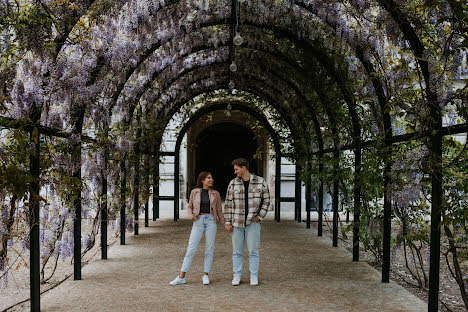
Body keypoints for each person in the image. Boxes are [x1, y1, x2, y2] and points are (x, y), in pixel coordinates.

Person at [170, 172, 225, 285]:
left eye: (211, 177)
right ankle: (181, 276)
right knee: (191, 249)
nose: (211, 179)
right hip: (198, 221)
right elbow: (189, 207)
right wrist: (192, 217)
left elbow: (219, 210)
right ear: (202, 180)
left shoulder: (216, 194)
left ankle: (205, 275)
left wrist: (225, 224)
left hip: (211, 221)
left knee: (209, 249)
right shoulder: (194, 192)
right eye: (208, 178)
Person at [224, 158, 270, 286]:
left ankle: (253, 276)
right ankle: (236, 275)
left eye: (236, 169)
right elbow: (227, 205)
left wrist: (259, 216)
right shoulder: (232, 184)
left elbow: (266, 201)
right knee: (237, 252)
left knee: (253, 251)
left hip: (253, 223)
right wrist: (227, 222)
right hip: (236, 223)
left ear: (243, 168)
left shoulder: (261, 182)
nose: (235, 172)